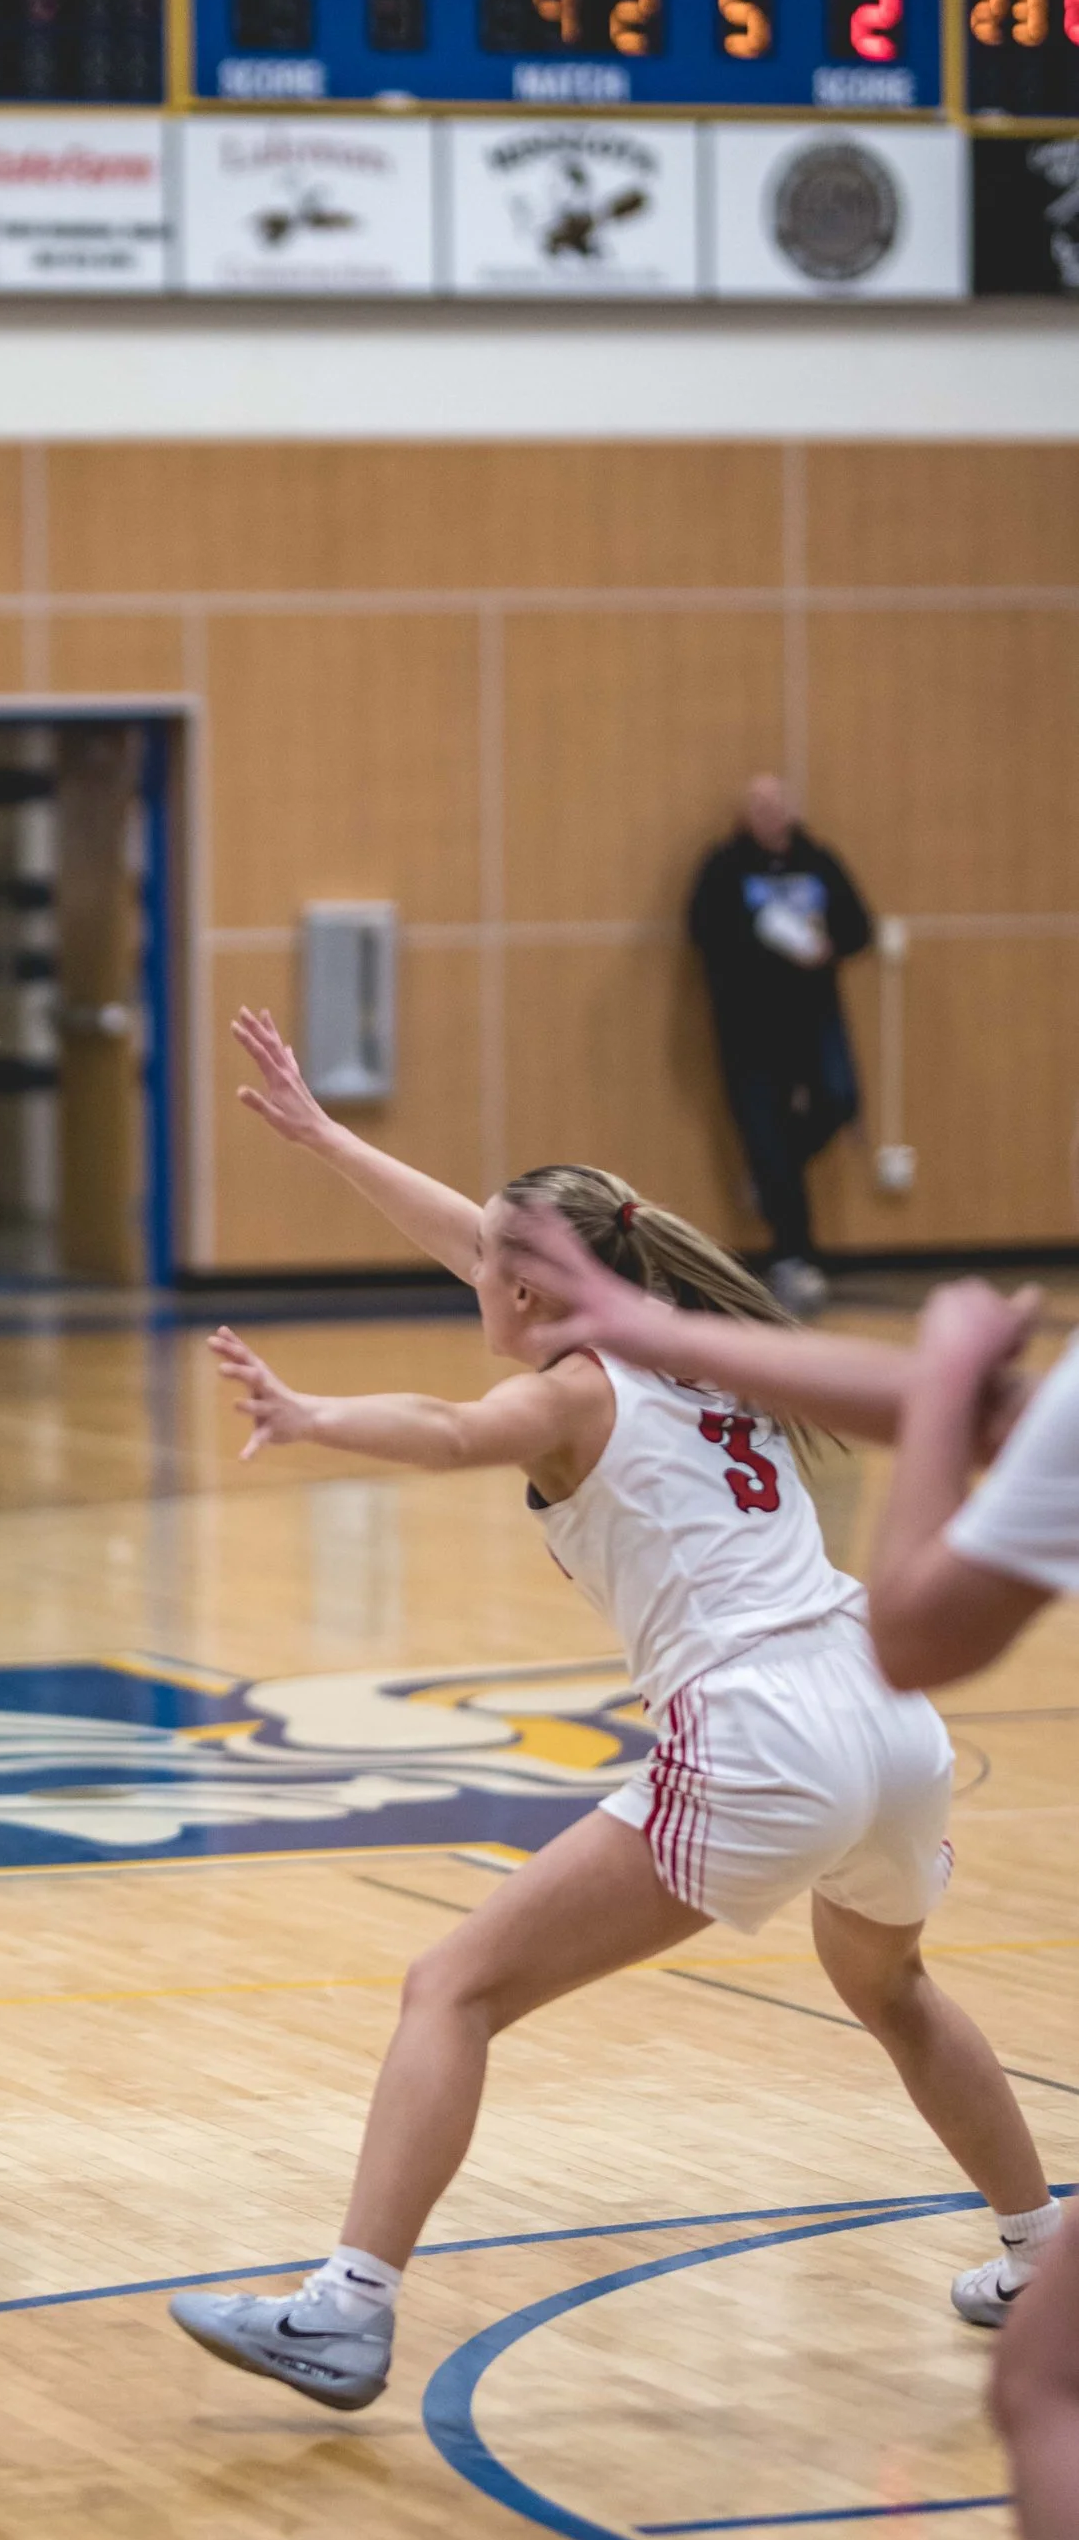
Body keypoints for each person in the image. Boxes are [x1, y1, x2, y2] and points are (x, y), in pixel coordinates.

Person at [164, 1007, 1048, 2413]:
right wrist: (329, 1140)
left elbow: (455, 1430)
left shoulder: (570, 1394)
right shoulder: (700, 1343)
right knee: (892, 1985)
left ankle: (345, 2309)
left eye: (488, 1268)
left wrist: (315, 1414)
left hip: (760, 1730)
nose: (468, 1273)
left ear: (528, 1288)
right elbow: (480, 1241)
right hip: (889, 1716)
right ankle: (1044, 2255)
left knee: (451, 1987)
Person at [502, 1209, 1079, 2540]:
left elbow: (921, 1613)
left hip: (802, 1705)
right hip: (856, 1738)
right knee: (899, 2014)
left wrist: (943, 1391)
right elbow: (909, 1392)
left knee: (1053, 2390)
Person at [687, 770, 874, 1318]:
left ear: (792, 811)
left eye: (776, 806)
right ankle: (795, 1258)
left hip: (814, 1018)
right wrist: (762, 940)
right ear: (746, 816)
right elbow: (703, 931)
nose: (769, 817)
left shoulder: (818, 860)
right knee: (765, 1134)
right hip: (749, 1024)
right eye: (759, 807)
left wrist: (826, 941)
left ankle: (772, 1183)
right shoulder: (725, 866)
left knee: (839, 1101)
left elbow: (859, 927)